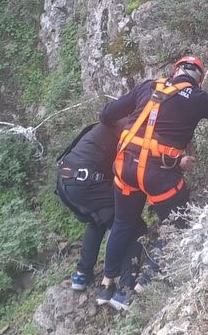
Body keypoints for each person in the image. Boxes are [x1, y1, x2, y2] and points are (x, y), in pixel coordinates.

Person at [95, 55, 208, 310]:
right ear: (199, 78)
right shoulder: (199, 98)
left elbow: (107, 115)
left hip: (125, 167)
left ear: (175, 71)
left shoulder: (148, 86)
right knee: (179, 224)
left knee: (123, 222)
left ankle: (107, 284)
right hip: (158, 175)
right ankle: (138, 288)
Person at [54, 117, 145, 293]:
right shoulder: (129, 130)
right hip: (86, 183)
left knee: (98, 220)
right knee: (133, 225)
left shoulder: (102, 125)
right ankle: (126, 287)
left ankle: (82, 273)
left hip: (65, 183)